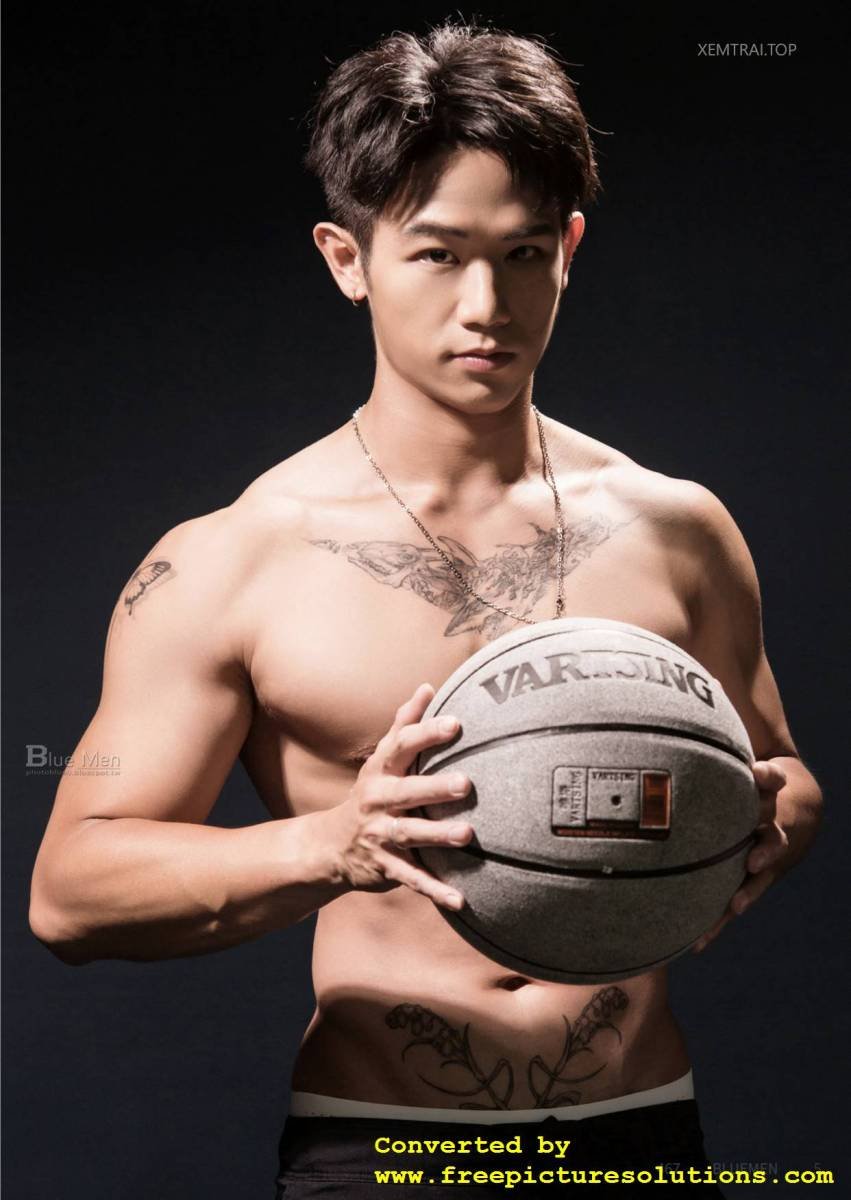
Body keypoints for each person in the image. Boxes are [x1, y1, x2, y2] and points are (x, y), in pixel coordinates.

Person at [28, 18, 822, 1199]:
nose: (484, 304)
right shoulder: (232, 560)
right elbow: (72, 891)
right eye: (438, 254)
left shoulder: (676, 528)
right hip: (383, 1146)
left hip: (639, 1132)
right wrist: (333, 842)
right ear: (347, 259)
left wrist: (763, 821)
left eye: (521, 253)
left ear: (568, 248)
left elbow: (778, 770)